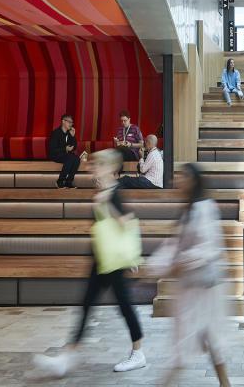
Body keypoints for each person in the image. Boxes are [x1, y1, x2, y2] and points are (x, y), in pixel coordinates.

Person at [34, 149, 146, 377]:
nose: (93, 168)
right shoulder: (103, 192)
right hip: (102, 259)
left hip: (113, 261)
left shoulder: (113, 193)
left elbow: (126, 222)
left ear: (110, 169)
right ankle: (67, 357)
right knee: (87, 305)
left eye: (98, 165)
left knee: (124, 306)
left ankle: (138, 353)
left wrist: (107, 203)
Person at [149, 163, 230, 387]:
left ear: (193, 180)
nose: (177, 181)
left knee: (190, 339)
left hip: (204, 286)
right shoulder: (188, 210)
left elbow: (210, 246)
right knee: (201, 336)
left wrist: (178, 264)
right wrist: (154, 267)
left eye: (181, 176)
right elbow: (173, 247)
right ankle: (225, 383)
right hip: (190, 286)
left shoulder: (204, 208)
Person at [50, 113, 88, 189]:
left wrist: (73, 136)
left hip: (66, 155)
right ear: (63, 121)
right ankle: (60, 182)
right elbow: (52, 149)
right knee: (70, 158)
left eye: (72, 122)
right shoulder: (56, 133)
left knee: (77, 159)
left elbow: (74, 147)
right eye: (69, 122)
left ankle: (68, 182)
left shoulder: (69, 133)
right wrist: (65, 149)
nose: (71, 124)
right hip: (55, 155)